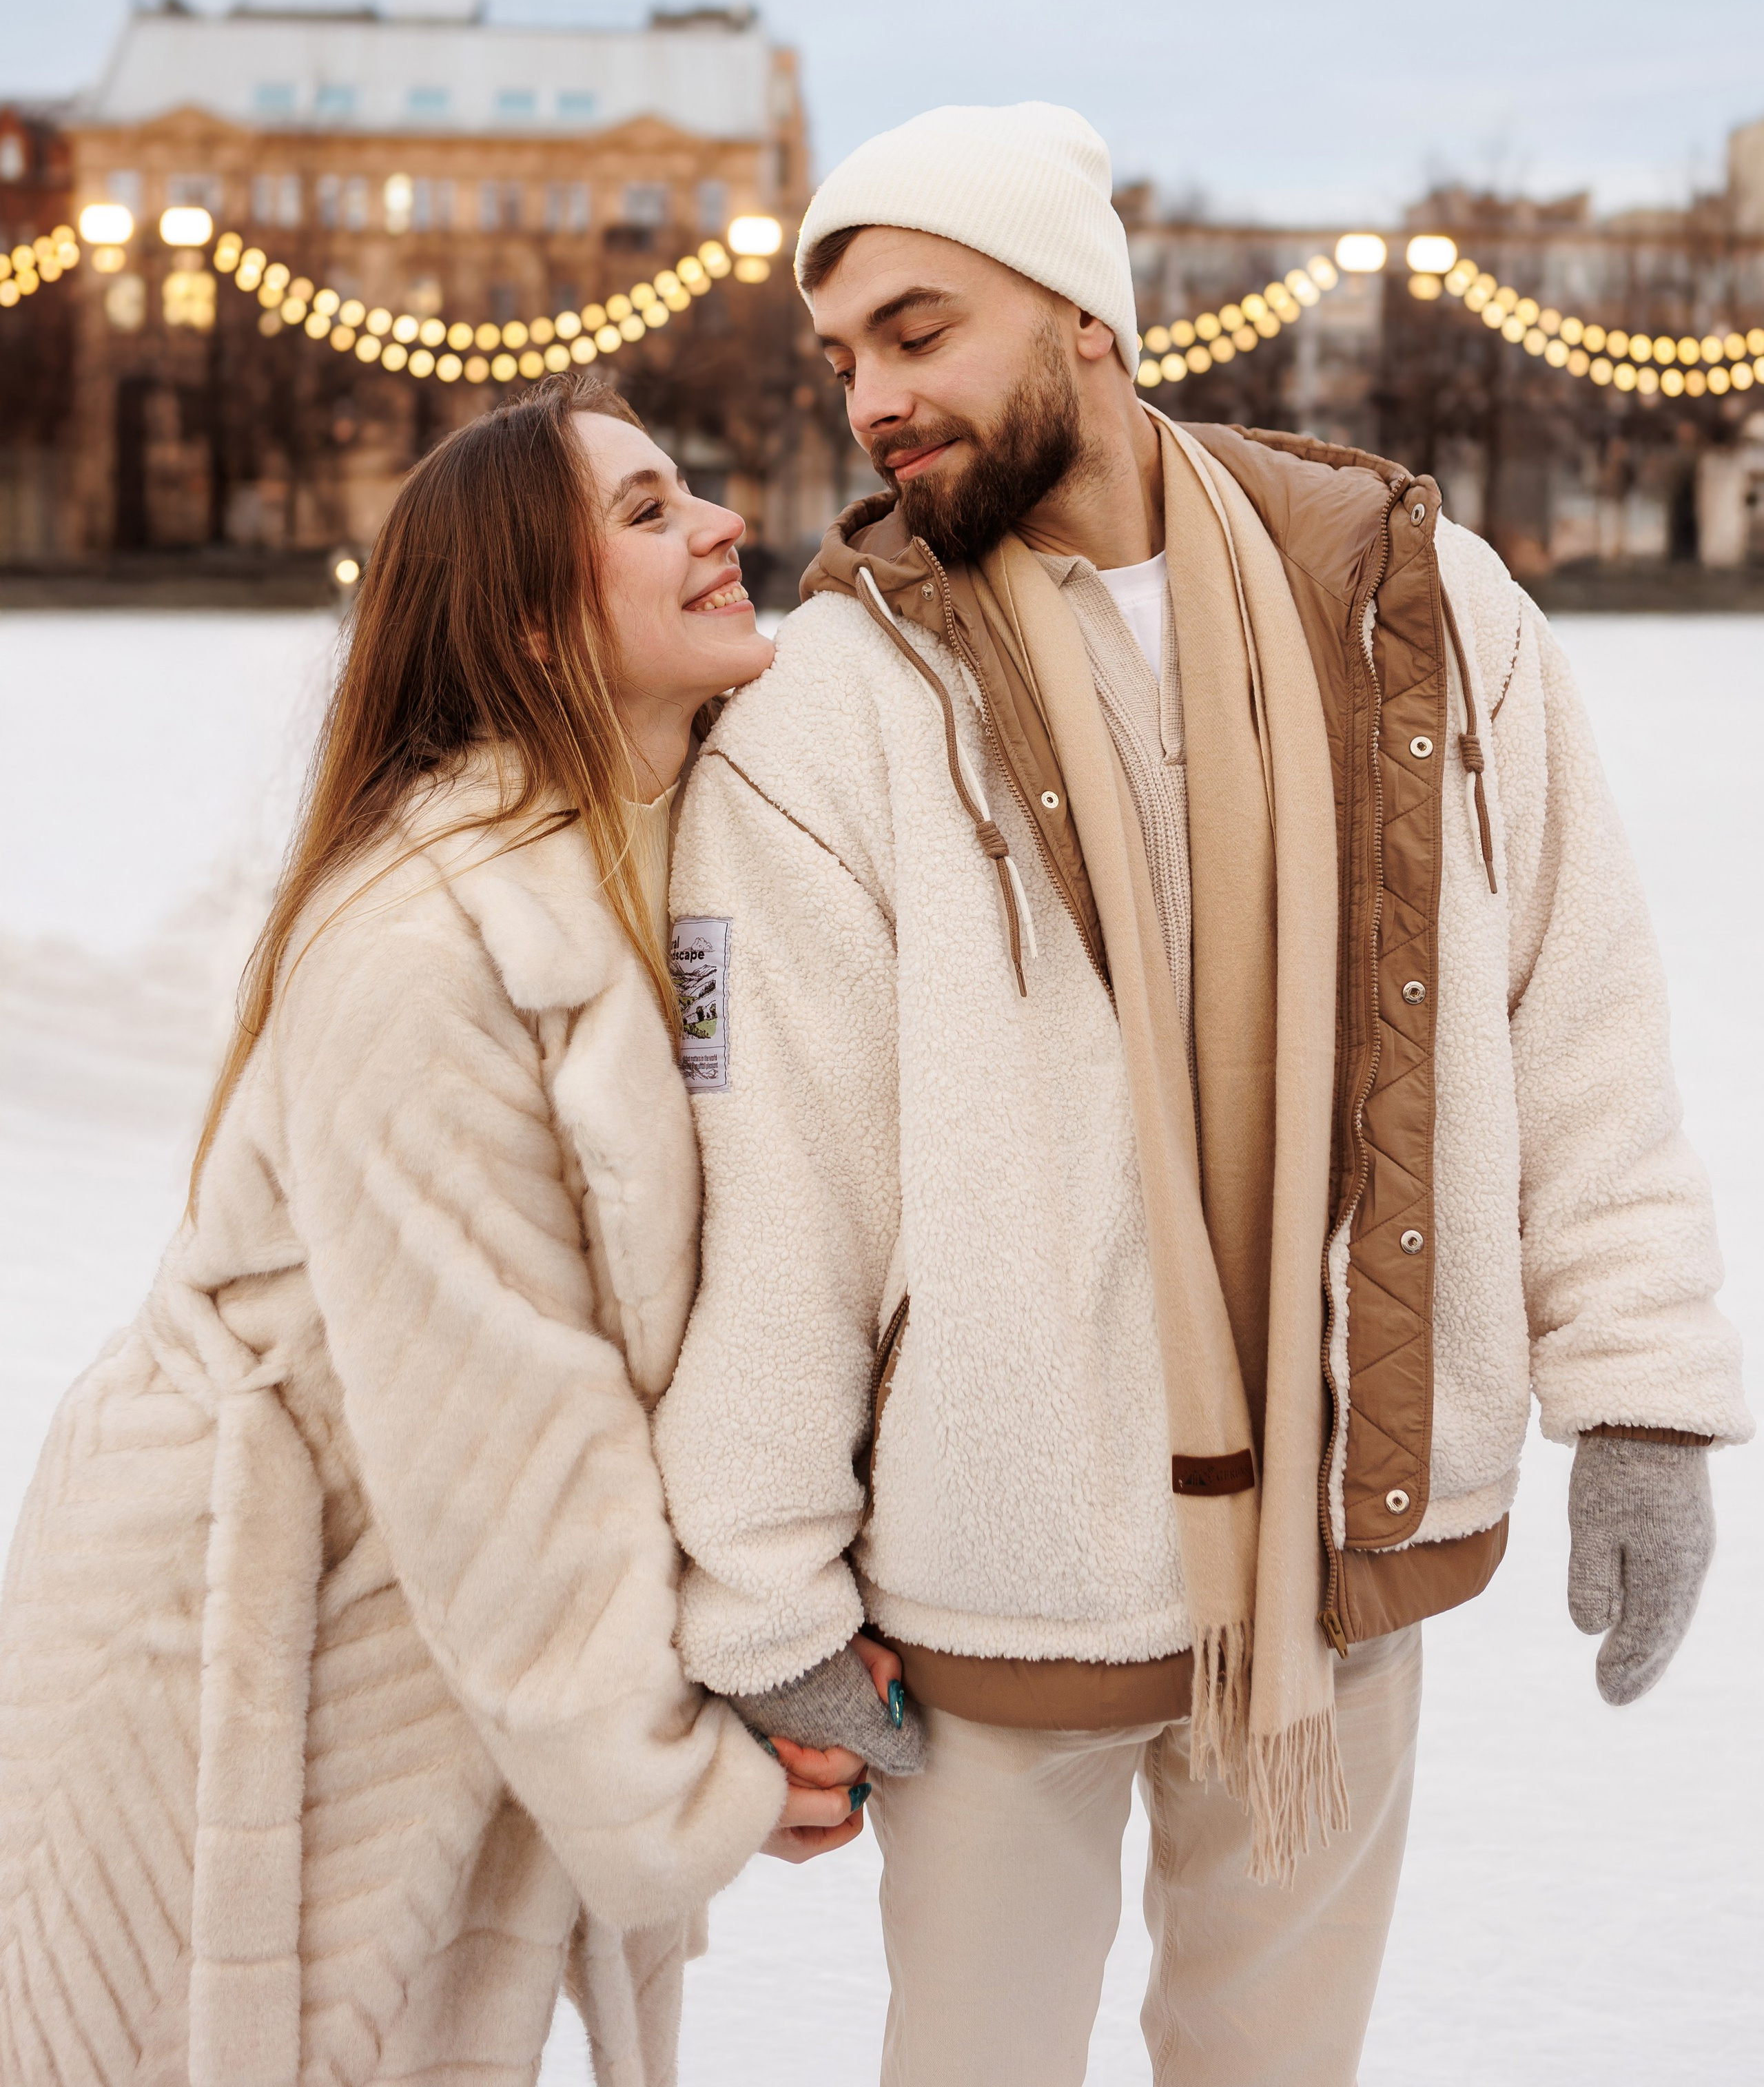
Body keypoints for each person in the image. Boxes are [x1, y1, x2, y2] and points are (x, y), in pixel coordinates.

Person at [652, 104, 1753, 2086]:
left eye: (921, 331)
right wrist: (763, 1589)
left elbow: (1574, 1010)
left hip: (1337, 1551)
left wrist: (1645, 1397)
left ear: (1085, 314)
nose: (875, 401)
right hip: (990, 1586)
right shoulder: (832, 707)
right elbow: (777, 1182)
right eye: (844, 363)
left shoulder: (1416, 607)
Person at [0, 376, 872, 2087]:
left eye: (686, 490)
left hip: (423, 1648)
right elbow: (511, 1443)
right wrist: (689, 1780)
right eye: (643, 511)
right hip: (235, 1649)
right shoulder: (425, 944)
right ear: (536, 631)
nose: (720, 527)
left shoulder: (652, 867)